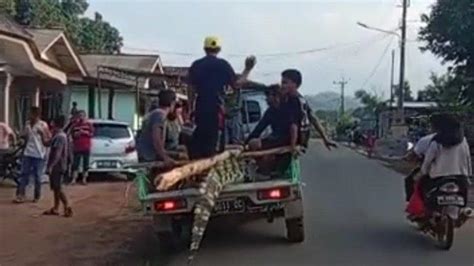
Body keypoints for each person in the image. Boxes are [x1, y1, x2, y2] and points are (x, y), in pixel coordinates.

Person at [187, 36, 256, 159]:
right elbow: (237, 84)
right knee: (214, 141)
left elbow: (190, 89)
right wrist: (247, 69)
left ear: (204, 49)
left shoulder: (196, 65)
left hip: (201, 106)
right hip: (216, 107)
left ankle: (196, 163)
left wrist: (190, 107)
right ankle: (208, 166)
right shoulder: (223, 65)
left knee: (200, 136)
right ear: (218, 49)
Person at [280, 69, 337, 150]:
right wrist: (325, 138)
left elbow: (294, 125)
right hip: (298, 142)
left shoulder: (294, 101)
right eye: (282, 83)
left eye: (285, 83)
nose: (282, 86)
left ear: (295, 84)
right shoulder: (301, 100)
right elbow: (313, 118)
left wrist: (293, 145)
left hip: (290, 142)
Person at [419, 114, 472, 197]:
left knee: (423, 192)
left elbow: (427, 161)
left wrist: (423, 172)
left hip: (438, 178)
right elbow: (467, 159)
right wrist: (468, 176)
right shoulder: (463, 141)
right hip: (460, 178)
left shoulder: (436, 142)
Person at [14, 106, 50, 203]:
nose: (29, 115)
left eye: (31, 113)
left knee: (37, 176)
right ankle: (21, 195)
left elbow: (48, 139)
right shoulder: (27, 124)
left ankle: (37, 195)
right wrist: (19, 136)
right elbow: (25, 136)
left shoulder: (43, 125)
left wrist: (42, 134)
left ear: (36, 114)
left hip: (39, 154)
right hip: (28, 153)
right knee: (23, 174)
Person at [43, 115, 73, 217]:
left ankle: (67, 207)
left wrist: (51, 166)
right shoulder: (58, 135)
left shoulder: (60, 136)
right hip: (58, 165)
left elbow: (58, 153)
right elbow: (46, 143)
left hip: (58, 165)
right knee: (55, 188)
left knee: (58, 188)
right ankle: (56, 208)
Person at [137, 90, 177, 164]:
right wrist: (165, 157)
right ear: (172, 103)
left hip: (145, 154)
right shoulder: (159, 115)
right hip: (149, 157)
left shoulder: (153, 113)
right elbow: (156, 139)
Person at [246, 84, 290, 150]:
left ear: (276, 96)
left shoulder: (286, 110)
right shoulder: (270, 111)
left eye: (268, 95)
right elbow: (259, 128)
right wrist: (246, 142)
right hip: (275, 138)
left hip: (285, 139)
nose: (266, 98)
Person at [70, 110, 93, 185]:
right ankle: (74, 179)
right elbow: (72, 135)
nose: (81, 117)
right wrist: (77, 134)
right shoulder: (75, 125)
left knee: (85, 164)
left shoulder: (89, 125)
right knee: (75, 163)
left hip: (86, 146)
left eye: (82, 115)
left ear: (85, 116)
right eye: (80, 115)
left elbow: (92, 134)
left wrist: (85, 132)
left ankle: (84, 179)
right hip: (77, 147)